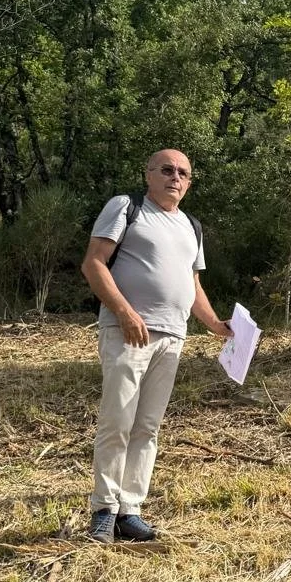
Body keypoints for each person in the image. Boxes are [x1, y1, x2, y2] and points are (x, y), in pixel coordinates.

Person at [81, 149, 231, 543]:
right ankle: (104, 509)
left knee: (147, 426)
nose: (175, 178)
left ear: (189, 183)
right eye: (166, 170)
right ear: (148, 174)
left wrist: (216, 324)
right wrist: (124, 312)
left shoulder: (191, 226)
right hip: (128, 331)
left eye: (183, 173)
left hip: (173, 336)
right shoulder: (126, 207)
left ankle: (130, 509)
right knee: (118, 420)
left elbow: (192, 284)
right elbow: (94, 263)